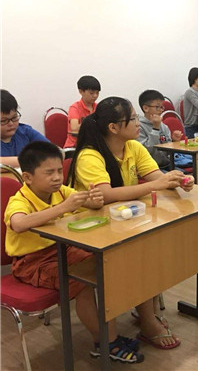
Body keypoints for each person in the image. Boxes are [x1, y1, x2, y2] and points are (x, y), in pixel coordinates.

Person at [67, 96, 195, 350]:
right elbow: (105, 195)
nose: (139, 123)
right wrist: (156, 185)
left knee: (152, 247)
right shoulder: (90, 155)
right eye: (133, 119)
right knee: (140, 255)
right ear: (114, 127)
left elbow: (157, 177)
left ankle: (145, 312)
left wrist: (178, 180)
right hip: (90, 230)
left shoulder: (133, 147)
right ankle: (147, 320)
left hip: (123, 221)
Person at [4, 141, 144, 364]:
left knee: (105, 267)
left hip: (64, 248)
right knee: (82, 284)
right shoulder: (19, 200)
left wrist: (95, 201)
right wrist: (62, 208)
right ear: (28, 177)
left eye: (59, 171)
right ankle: (105, 342)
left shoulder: (61, 191)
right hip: (31, 263)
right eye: (49, 173)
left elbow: (87, 203)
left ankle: (109, 337)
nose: (57, 177)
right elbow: (19, 223)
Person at [1, 89, 49, 168]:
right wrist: (33, 160)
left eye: (14, 118)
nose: (11, 123)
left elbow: (54, 152)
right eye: (3, 121)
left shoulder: (25, 131)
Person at [137, 89, 184, 170]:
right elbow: (147, 151)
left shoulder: (163, 126)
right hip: (150, 168)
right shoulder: (138, 127)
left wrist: (174, 141)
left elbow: (168, 152)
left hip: (166, 164)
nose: (161, 110)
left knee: (186, 175)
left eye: (162, 107)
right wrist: (155, 128)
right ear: (146, 108)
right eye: (157, 107)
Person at [63, 75, 101, 148]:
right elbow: (74, 128)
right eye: (91, 93)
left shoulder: (98, 107)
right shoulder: (75, 108)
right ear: (81, 91)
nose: (95, 96)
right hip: (75, 146)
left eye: (97, 93)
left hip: (93, 144)